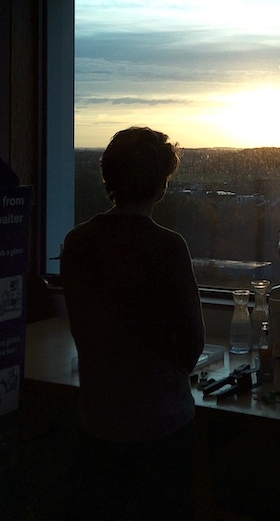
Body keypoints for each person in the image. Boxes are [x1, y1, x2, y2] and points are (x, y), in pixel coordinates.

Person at [60, 126, 205, 520]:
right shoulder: (168, 247)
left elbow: (85, 328)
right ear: (161, 187)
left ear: (108, 177)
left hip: (98, 422)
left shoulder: (77, 242)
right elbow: (192, 342)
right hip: (162, 427)